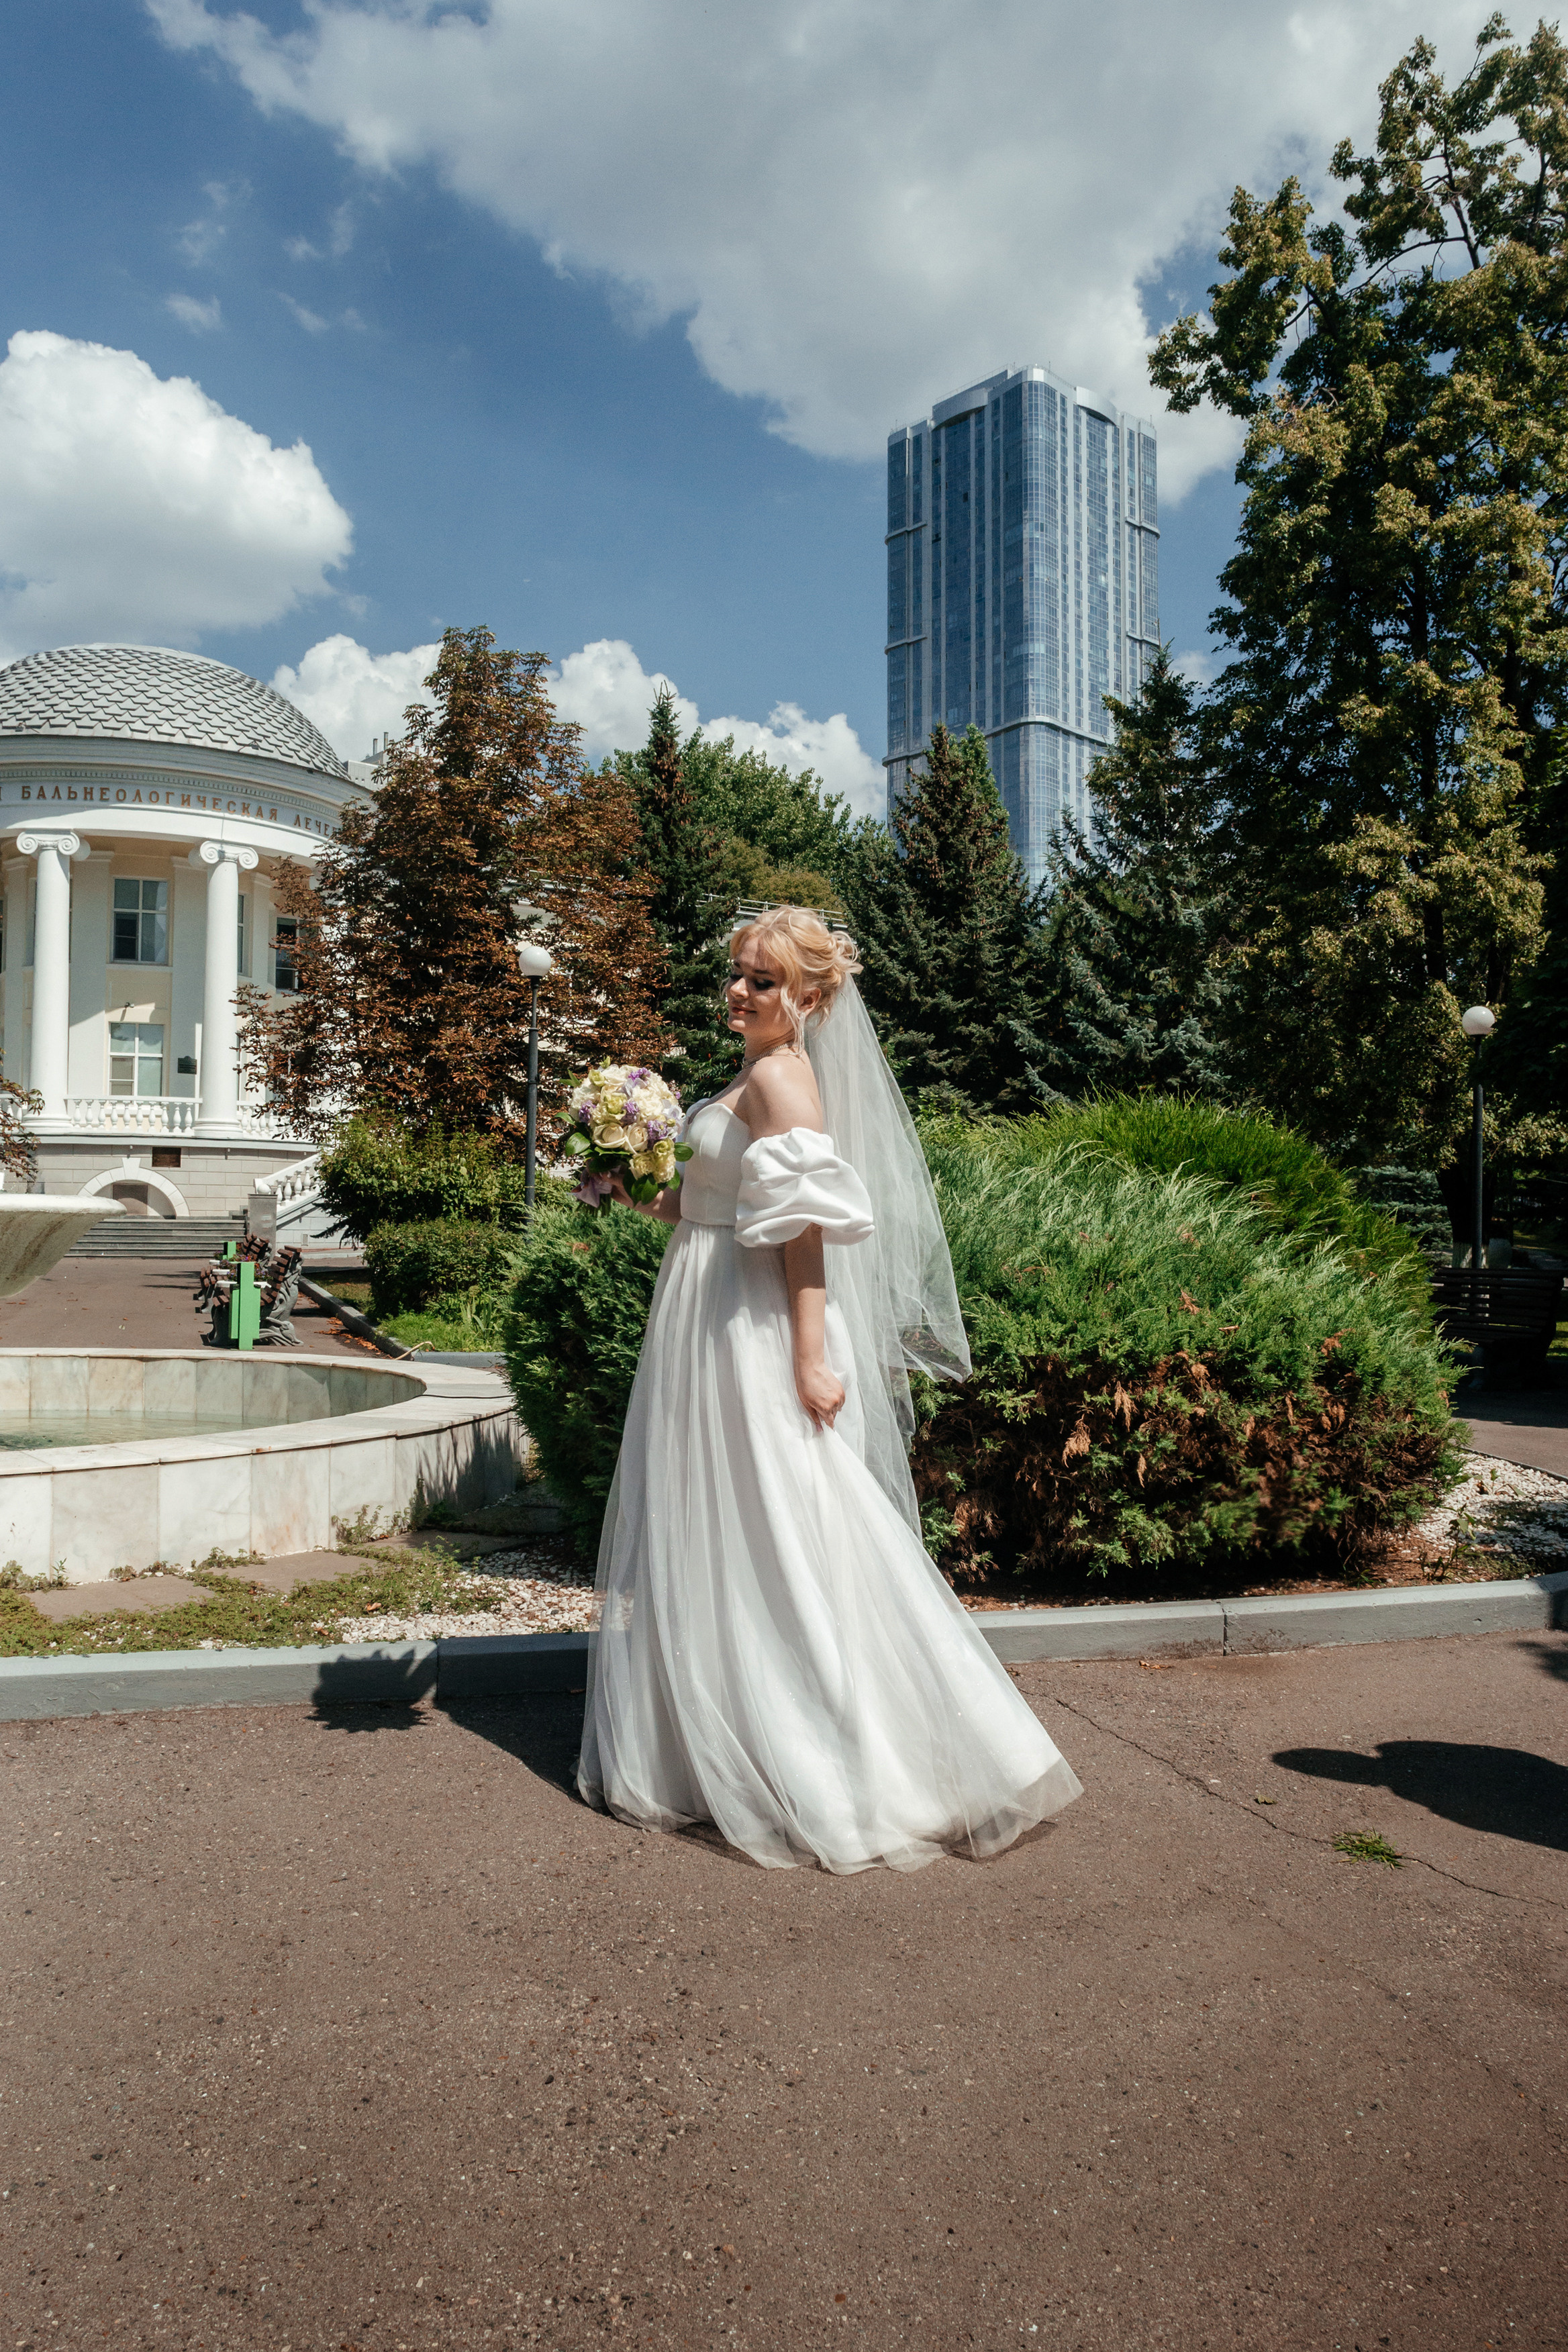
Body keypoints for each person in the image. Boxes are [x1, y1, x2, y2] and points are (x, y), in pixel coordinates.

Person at [577, 906, 1081, 1872]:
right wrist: (619, 1181)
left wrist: (811, 1353)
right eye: (736, 973)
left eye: (762, 981)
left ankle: (855, 1757)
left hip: (756, 1325)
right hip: (704, 1312)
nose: (740, 991)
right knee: (725, 1528)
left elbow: (803, 1231)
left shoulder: (782, 1078)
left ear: (810, 997)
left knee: (795, 1524)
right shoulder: (748, 1075)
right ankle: (724, 1737)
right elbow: (704, 1204)